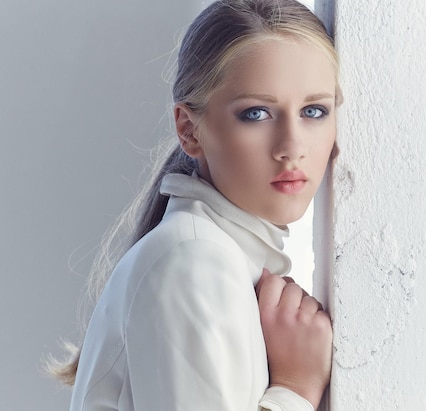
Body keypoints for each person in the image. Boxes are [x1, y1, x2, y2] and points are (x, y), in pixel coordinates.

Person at [47, 0, 341, 409]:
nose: (292, 147)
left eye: (314, 111)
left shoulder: (213, 257)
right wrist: (296, 386)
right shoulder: (193, 262)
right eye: (256, 113)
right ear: (189, 130)